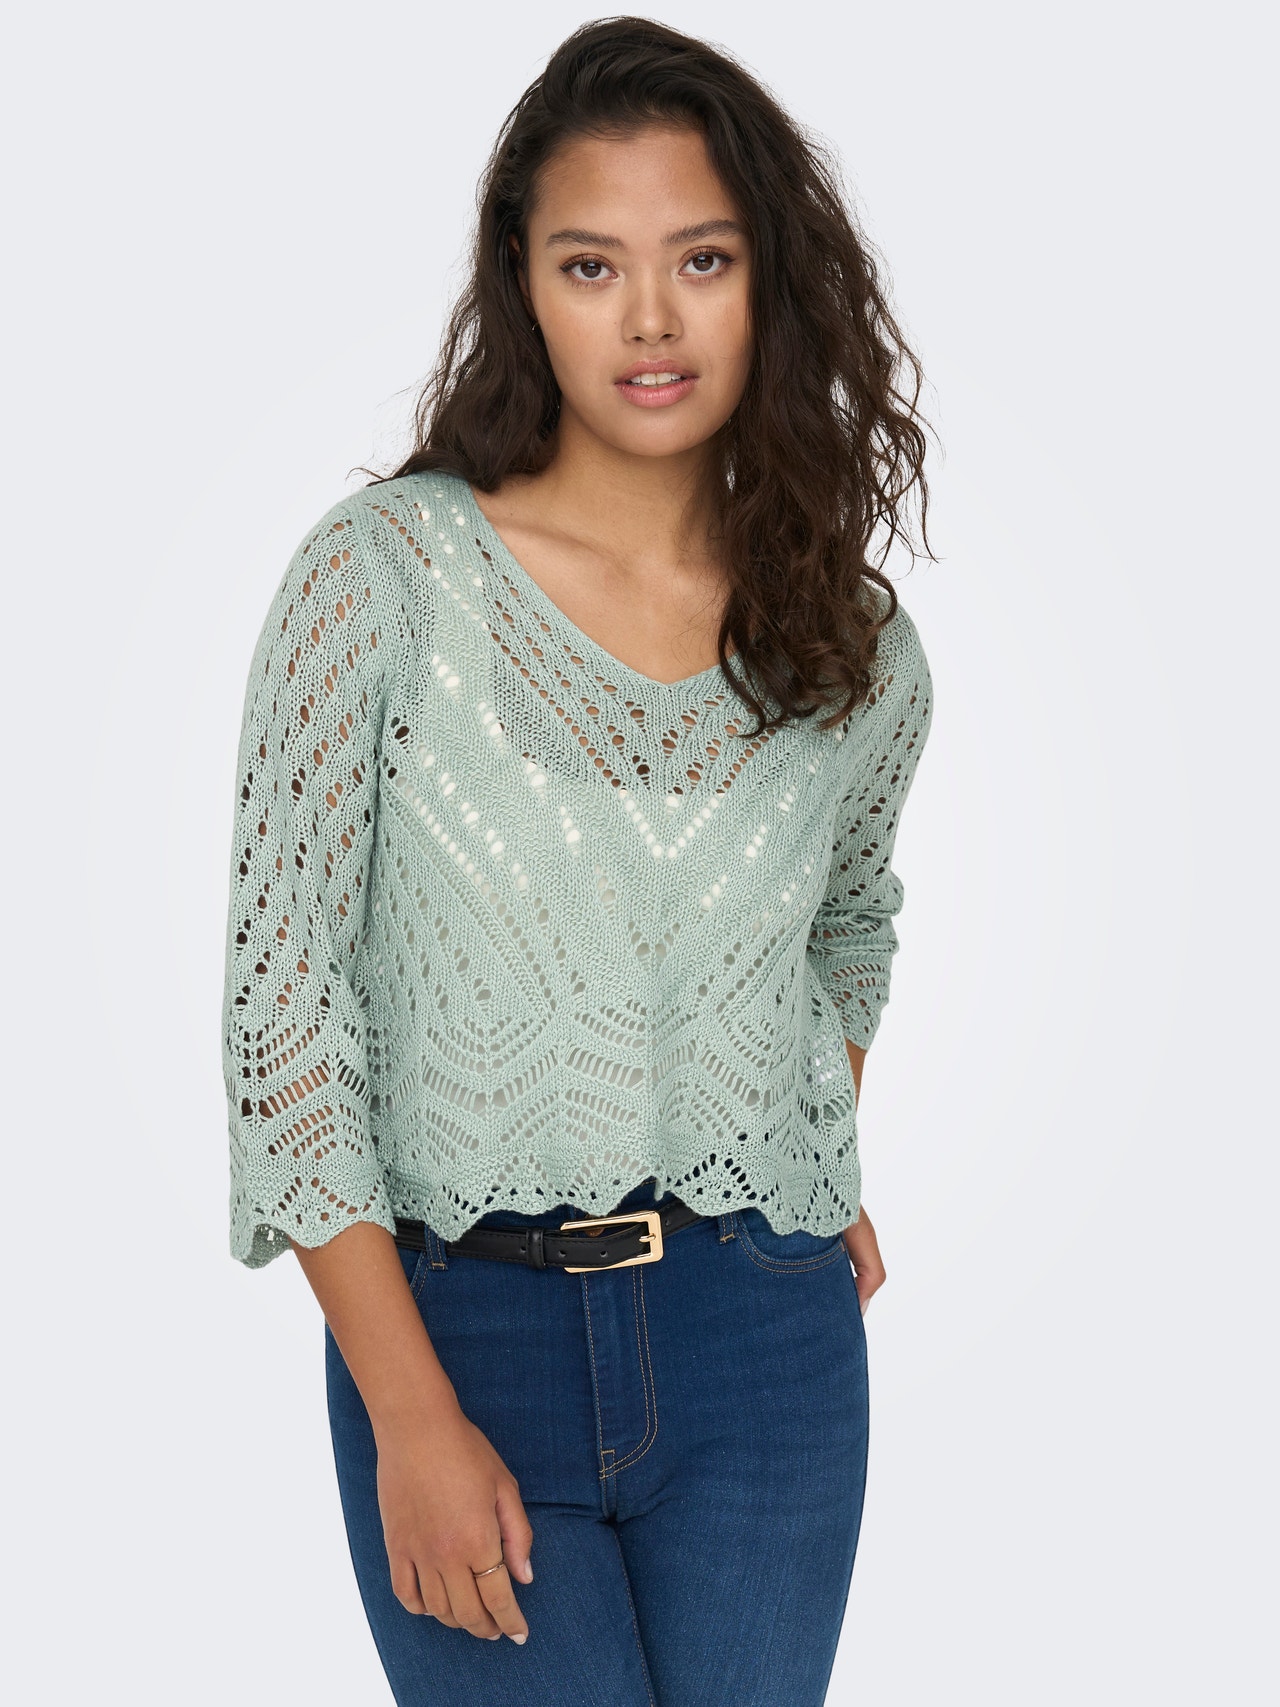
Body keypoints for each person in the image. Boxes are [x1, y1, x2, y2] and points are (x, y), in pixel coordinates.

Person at [219, 16, 936, 1705]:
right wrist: (407, 1411)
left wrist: (785, 1135)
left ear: (772, 282)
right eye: (592, 265)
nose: (651, 319)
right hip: (461, 1333)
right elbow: (284, 1018)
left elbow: (850, 927)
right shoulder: (381, 584)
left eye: (703, 259)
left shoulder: (851, 642)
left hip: (764, 1340)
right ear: (523, 287)